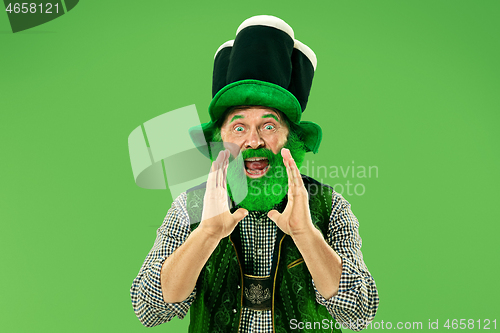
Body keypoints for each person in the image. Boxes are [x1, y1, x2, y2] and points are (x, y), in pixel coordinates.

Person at [130, 15, 379, 332]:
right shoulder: (189, 207)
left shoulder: (330, 207)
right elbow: (148, 309)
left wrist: (305, 234)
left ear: (290, 139)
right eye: (238, 127)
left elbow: (360, 313)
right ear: (220, 140)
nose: (254, 140)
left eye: (269, 125)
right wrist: (205, 234)